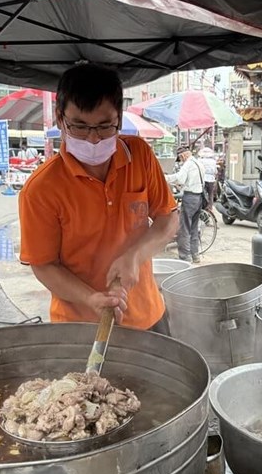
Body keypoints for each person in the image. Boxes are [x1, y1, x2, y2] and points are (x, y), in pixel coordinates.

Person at [18, 64, 178, 333]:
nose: (92, 139)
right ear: (60, 119)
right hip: (78, 327)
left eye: (105, 127)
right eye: (79, 127)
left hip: (148, 316)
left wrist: (134, 257)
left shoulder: (139, 154)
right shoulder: (41, 189)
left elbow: (168, 219)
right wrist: (90, 298)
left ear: (119, 117)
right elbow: (44, 265)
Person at [166, 145, 205, 264]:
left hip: (190, 198)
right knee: (194, 228)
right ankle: (195, 255)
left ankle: (185, 257)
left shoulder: (188, 164)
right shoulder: (199, 163)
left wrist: (165, 178)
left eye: (180, 158)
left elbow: (180, 179)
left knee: (184, 228)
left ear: (183, 155)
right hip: (199, 197)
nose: (181, 160)